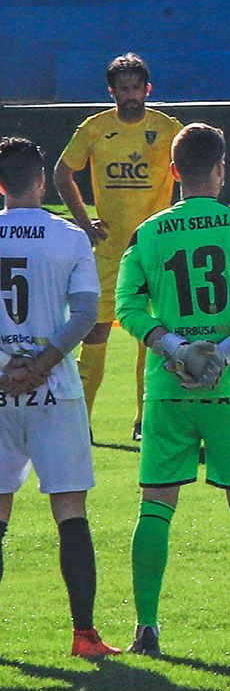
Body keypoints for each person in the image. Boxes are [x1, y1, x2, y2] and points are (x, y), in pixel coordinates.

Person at [114, 123, 230, 656]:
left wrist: (176, 347)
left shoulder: (146, 234)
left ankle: (146, 629)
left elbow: (127, 308)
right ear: (221, 170)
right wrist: (224, 351)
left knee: (155, 508)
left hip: (168, 390)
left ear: (172, 172)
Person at [0, 139, 120, 657]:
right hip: (58, 392)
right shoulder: (70, 237)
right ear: (42, 181)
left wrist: (9, 369)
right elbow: (86, 315)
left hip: (1, 391)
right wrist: (42, 363)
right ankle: (84, 635)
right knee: (70, 511)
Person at [55, 52, 183, 442]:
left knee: (156, 334)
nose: (130, 95)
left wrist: (177, 218)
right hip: (110, 251)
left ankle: (146, 421)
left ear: (148, 89)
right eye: (122, 88)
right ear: (111, 91)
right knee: (94, 333)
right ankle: (81, 421)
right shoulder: (95, 129)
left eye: (136, 87)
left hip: (155, 250)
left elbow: (189, 170)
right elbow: (63, 172)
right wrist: (83, 221)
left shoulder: (168, 129)